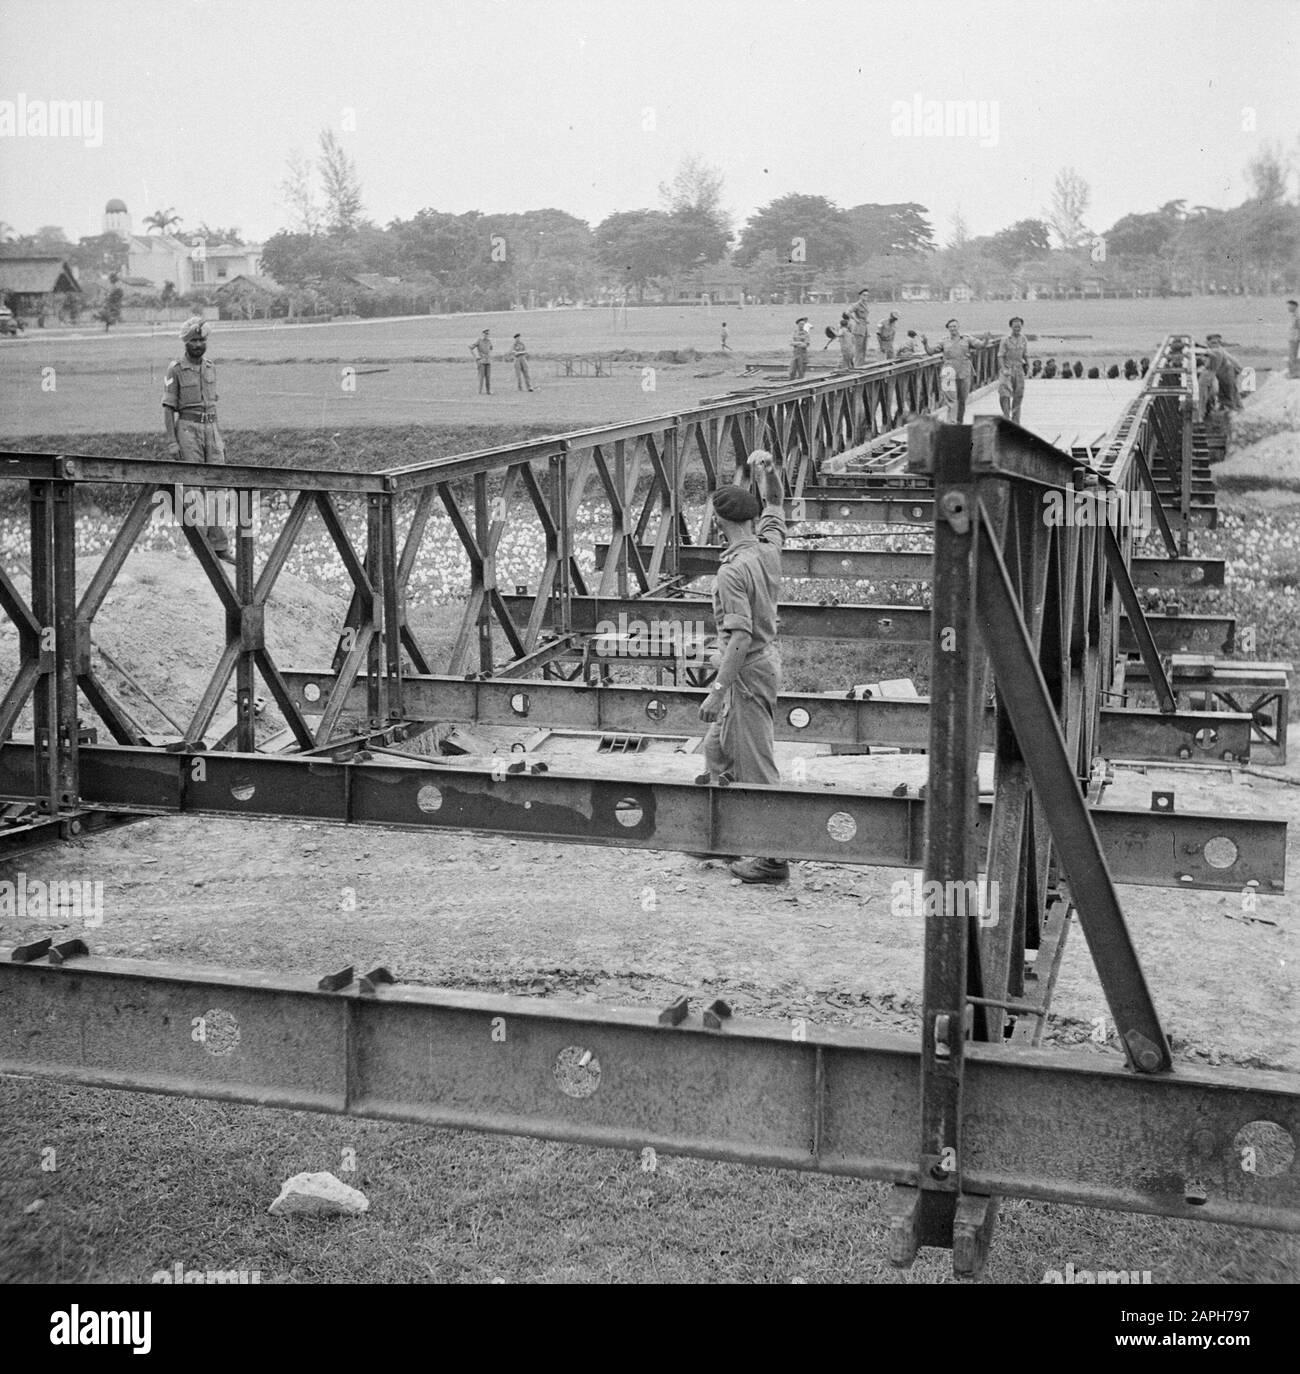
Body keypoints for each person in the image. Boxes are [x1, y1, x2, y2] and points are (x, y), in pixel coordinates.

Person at [697, 452, 789, 885]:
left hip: (746, 672)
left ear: (720, 522)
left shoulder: (731, 573)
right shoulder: (768, 547)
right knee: (716, 749)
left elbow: (739, 637)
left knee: (757, 764)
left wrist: (717, 690)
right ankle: (731, 834)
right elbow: (776, 504)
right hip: (758, 667)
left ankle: (773, 859)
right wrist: (765, 474)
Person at [162, 316, 233, 564]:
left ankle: (220, 545)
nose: (198, 344)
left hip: (211, 429)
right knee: (193, 489)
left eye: (201, 339)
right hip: (188, 430)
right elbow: (169, 408)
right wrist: (173, 442)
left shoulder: (211, 367)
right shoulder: (176, 370)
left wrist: (217, 437)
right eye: (193, 340)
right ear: (185, 342)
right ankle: (202, 546)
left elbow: (212, 403)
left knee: (217, 486)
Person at [932, 318, 974, 422]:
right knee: (952, 400)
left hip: (964, 373)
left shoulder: (966, 339)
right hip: (949, 374)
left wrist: (986, 340)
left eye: (954, 326)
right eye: (950, 327)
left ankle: (959, 421)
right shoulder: (944, 341)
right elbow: (930, 352)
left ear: (958, 327)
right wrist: (925, 344)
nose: (952, 328)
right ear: (948, 329)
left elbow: (980, 346)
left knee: (962, 400)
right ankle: (952, 423)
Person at [997, 316, 1030, 424]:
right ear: (1011, 327)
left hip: (1019, 369)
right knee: (1004, 394)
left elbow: (1025, 354)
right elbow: (1000, 355)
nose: (1017, 328)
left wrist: (1028, 367)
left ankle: (1015, 421)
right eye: (1015, 326)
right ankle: (1006, 417)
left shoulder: (1023, 338)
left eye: (1019, 326)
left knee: (1018, 395)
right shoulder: (1005, 339)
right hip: (1007, 368)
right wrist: (1003, 369)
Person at [1205, 334, 1243, 410]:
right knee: (1227, 390)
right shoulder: (1217, 349)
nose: (1214, 344)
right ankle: (1232, 407)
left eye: (1215, 342)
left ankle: (1234, 408)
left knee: (1229, 390)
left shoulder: (1217, 350)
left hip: (1228, 371)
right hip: (1227, 370)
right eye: (1213, 342)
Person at [849, 287, 871, 365]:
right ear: (860, 296)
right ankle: (857, 365)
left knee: (864, 348)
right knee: (858, 348)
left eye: (867, 295)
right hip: (858, 328)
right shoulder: (856, 305)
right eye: (864, 295)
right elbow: (848, 312)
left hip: (864, 327)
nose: (866, 297)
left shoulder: (866, 305)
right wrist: (855, 319)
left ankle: (861, 364)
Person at [469, 328, 492, 393]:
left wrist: (489, 355)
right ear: (482, 334)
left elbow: (491, 349)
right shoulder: (479, 340)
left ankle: (488, 391)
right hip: (481, 362)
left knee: (488, 377)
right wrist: (476, 357)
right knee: (481, 377)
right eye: (485, 333)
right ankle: (480, 391)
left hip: (488, 361)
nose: (486, 335)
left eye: (487, 334)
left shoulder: (489, 341)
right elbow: (471, 348)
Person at [1286, 299, 1298, 379]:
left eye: (1289, 306)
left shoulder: (1297, 316)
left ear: (1294, 306)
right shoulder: (1293, 315)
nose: (1288, 308)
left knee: (1293, 356)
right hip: (1292, 338)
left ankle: (1294, 373)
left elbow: (1298, 327)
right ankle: (1293, 372)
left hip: (1295, 338)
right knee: (1292, 356)